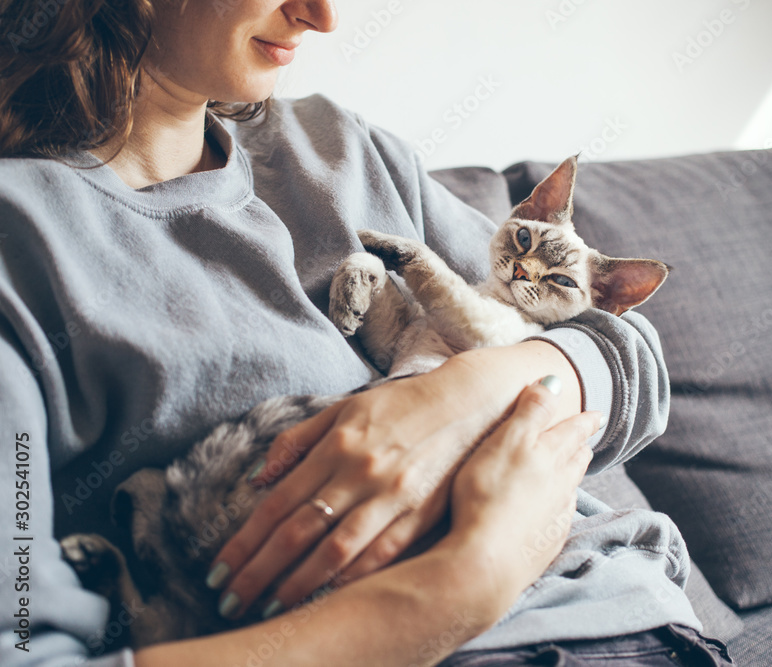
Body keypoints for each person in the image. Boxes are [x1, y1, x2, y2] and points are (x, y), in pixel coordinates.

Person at [0, 0, 732, 665]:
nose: (322, 17)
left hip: (616, 612)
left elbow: (626, 357)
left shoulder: (336, 145)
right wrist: (459, 587)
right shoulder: (24, 240)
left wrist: (457, 395)